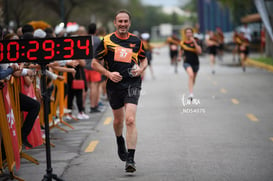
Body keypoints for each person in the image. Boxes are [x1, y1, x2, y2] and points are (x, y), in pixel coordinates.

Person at [92, 9, 147, 173]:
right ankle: (119, 139)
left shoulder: (137, 41)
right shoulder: (107, 41)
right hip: (114, 85)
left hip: (132, 83)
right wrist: (108, 74)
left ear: (129, 23)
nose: (123, 24)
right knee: (118, 121)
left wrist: (141, 69)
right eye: (120, 21)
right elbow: (95, 63)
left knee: (130, 120)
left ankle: (130, 159)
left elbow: (144, 59)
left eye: (126, 21)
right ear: (115, 23)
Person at [84, 23, 104, 113]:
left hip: (84, 65)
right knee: (94, 87)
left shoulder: (83, 40)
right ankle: (93, 106)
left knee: (84, 88)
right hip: (94, 65)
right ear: (96, 31)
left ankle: (82, 107)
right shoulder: (98, 40)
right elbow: (101, 54)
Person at [178, 28, 202, 100]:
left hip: (195, 62)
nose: (189, 34)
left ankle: (190, 90)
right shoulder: (183, 42)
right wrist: (179, 57)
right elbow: (181, 51)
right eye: (187, 32)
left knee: (193, 79)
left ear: (192, 33)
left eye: (190, 32)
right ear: (185, 34)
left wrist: (194, 42)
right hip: (187, 62)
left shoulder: (196, 40)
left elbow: (199, 51)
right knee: (190, 75)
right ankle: (191, 94)